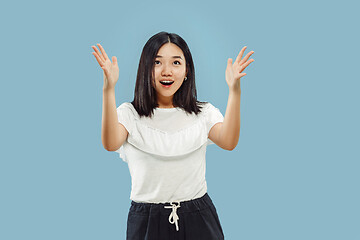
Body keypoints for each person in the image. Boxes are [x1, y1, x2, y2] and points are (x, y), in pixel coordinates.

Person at [91, 31, 254, 240]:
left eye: (176, 63)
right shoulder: (129, 114)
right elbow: (110, 143)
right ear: (146, 69)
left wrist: (235, 90)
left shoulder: (203, 113)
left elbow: (229, 141)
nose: (166, 71)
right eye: (157, 62)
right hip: (147, 219)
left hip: (198, 216)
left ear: (187, 70)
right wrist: (108, 89)